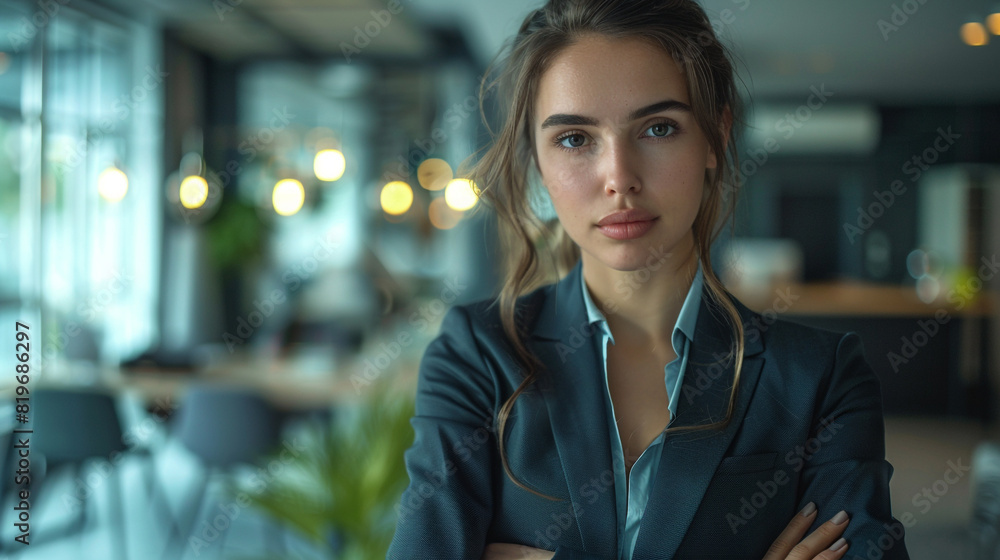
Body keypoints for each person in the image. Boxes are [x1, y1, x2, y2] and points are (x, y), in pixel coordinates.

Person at [387, 0, 911, 558]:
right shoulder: (478, 353)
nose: (620, 178)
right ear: (537, 161)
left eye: (658, 128)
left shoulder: (819, 377)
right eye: (573, 138)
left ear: (716, 136)